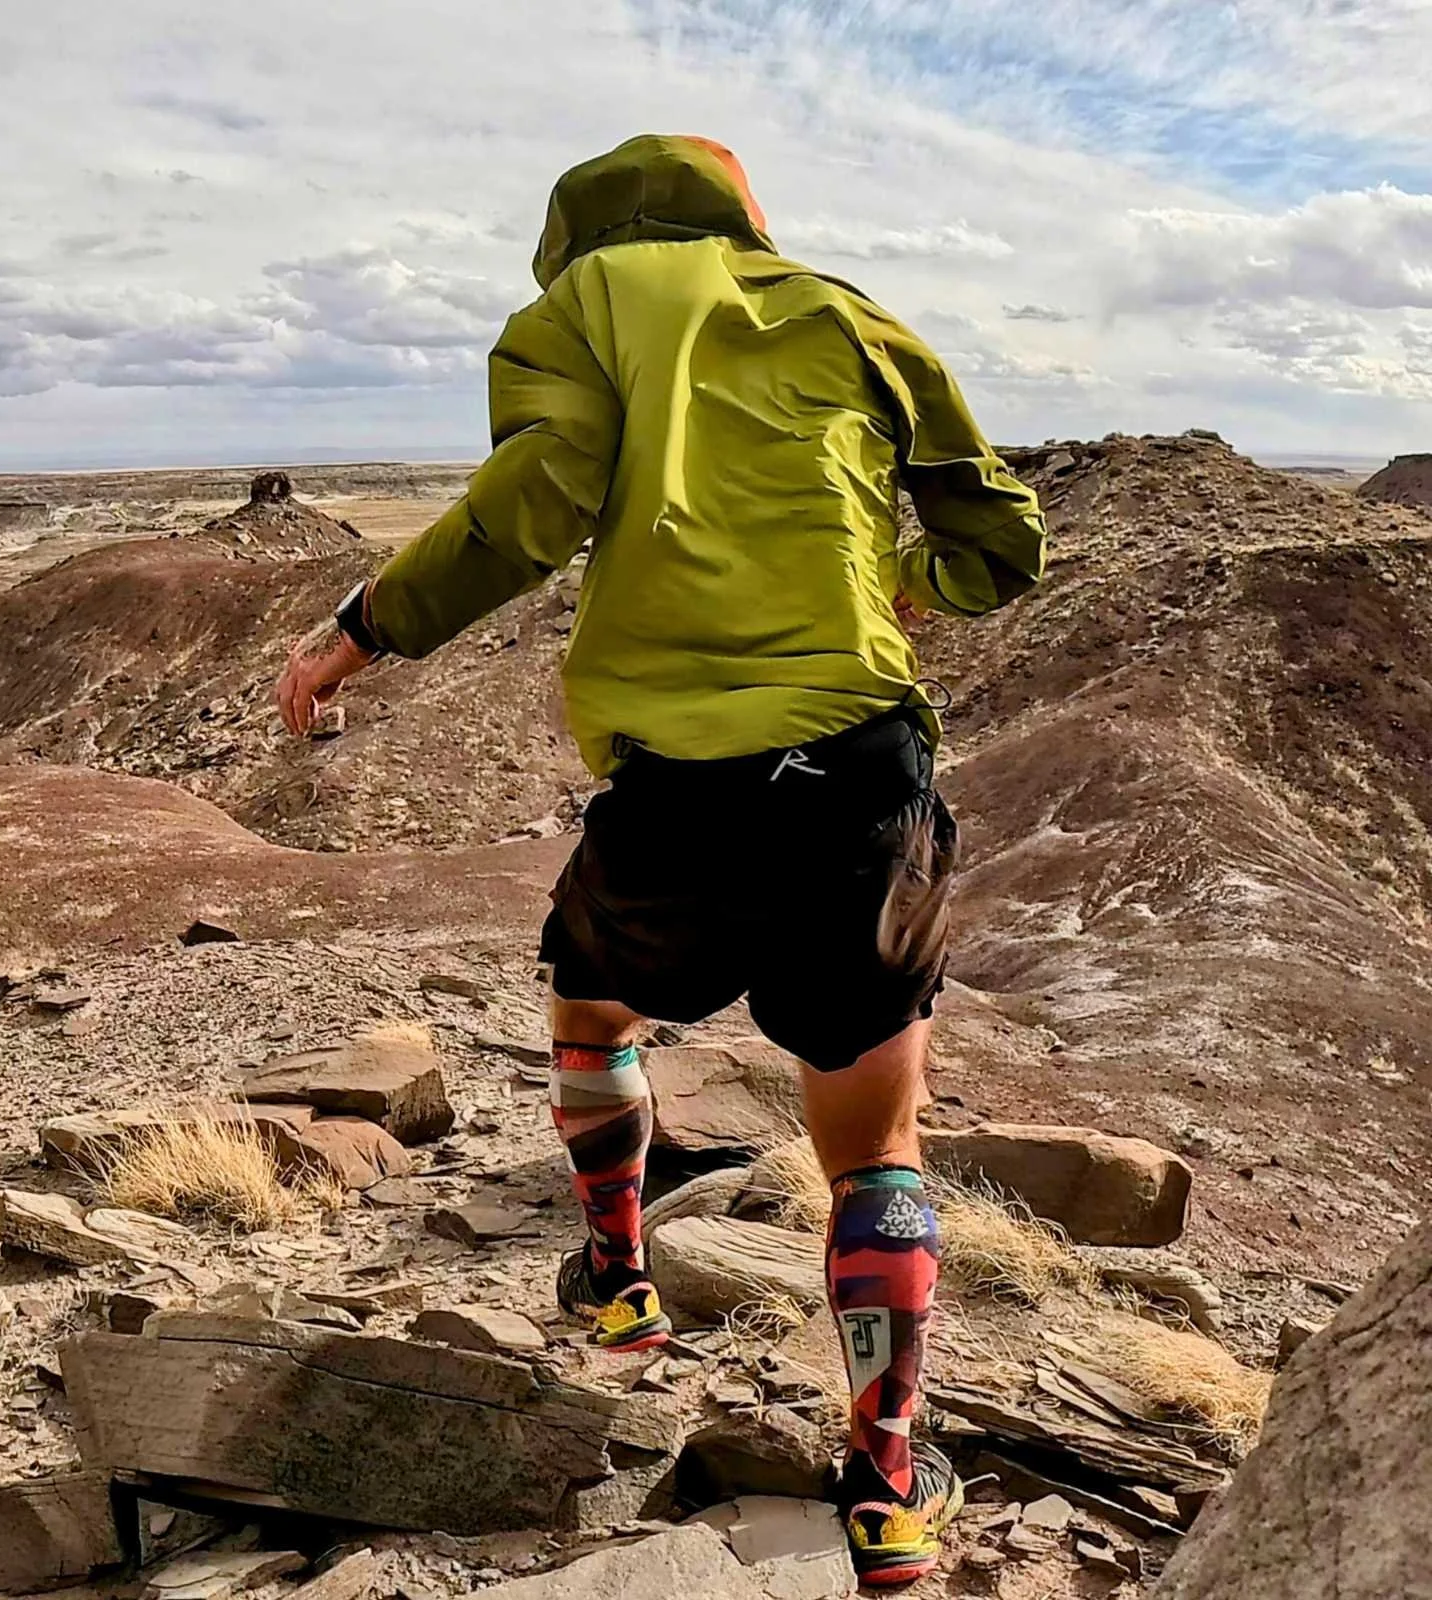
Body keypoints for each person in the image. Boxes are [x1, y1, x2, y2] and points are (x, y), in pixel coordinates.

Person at [272, 134, 1044, 1588]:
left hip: (676, 785)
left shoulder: (579, 311)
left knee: (588, 1004)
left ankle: (620, 1285)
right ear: (743, 215)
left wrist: (362, 626)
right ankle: (886, 1486)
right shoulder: (859, 318)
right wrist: (902, 581)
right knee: (877, 1141)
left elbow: (535, 504)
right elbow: (1000, 545)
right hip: (861, 773)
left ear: (578, 232)